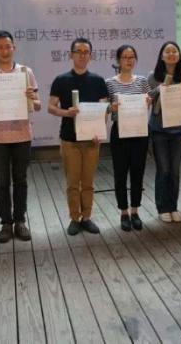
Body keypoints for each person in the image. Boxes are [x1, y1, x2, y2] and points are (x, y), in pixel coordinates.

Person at [0, 30, 41, 244]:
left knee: (21, 180)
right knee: (2, 182)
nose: (4, 51)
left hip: (22, 134)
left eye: (8, 46)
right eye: (0, 47)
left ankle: (20, 221)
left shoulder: (25, 72)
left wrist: (32, 98)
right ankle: (6, 223)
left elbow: (38, 105)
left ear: (14, 47)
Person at [49, 38, 109, 236]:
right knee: (73, 183)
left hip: (92, 140)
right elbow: (51, 107)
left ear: (90, 55)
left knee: (89, 182)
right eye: (78, 51)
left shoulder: (98, 81)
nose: (82, 55)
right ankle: (75, 218)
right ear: (71, 54)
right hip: (69, 139)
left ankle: (87, 217)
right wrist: (67, 113)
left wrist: (100, 130)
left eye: (86, 52)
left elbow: (104, 110)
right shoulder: (61, 80)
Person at [106, 45, 151, 231]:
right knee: (120, 174)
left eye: (132, 57)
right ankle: (124, 212)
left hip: (139, 131)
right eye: (125, 57)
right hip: (120, 132)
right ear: (118, 60)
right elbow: (105, 108)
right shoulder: (109, 83)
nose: (128, 60)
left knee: (137, 173)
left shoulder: (142, 81)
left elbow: (147, 105)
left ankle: (135, 211)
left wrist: (148, 102)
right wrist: (111, 108)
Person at [148, 41, 181, 223]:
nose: (172, 54)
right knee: (163, 169)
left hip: (178, 130)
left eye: (175, 51)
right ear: (162, 56)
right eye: (168, 51)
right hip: (159, 130)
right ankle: (162, 208)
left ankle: (173, 207)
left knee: (174, 170)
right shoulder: (153, 76)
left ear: (179, 55)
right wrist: (159, 89)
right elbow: (148, 98)